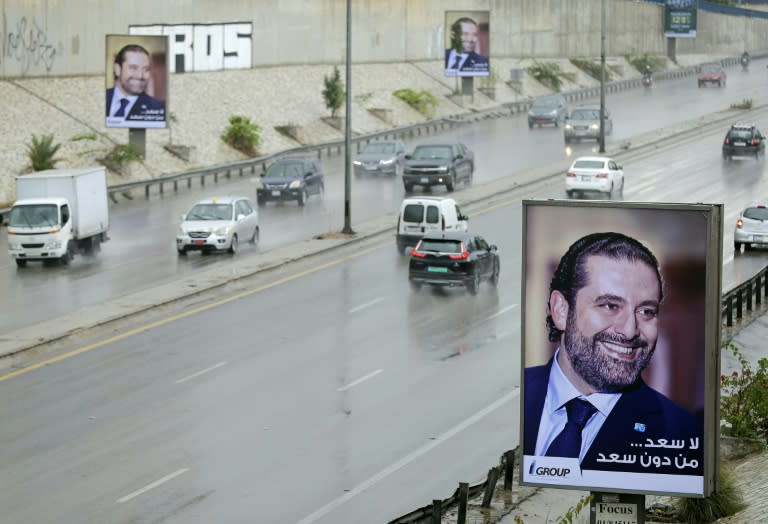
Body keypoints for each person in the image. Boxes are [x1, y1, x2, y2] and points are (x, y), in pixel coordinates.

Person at [523, 232, 703, 475]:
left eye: (646, 311)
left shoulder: (684, 434)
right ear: (561, 310)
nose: (629, 331)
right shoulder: (517, 400)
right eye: (610, 306)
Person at [106, 44, 165, 124]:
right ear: (117, 69)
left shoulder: (157, 108)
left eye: (146, 69)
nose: (140, 75)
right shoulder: (101, 97)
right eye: (133, 68)